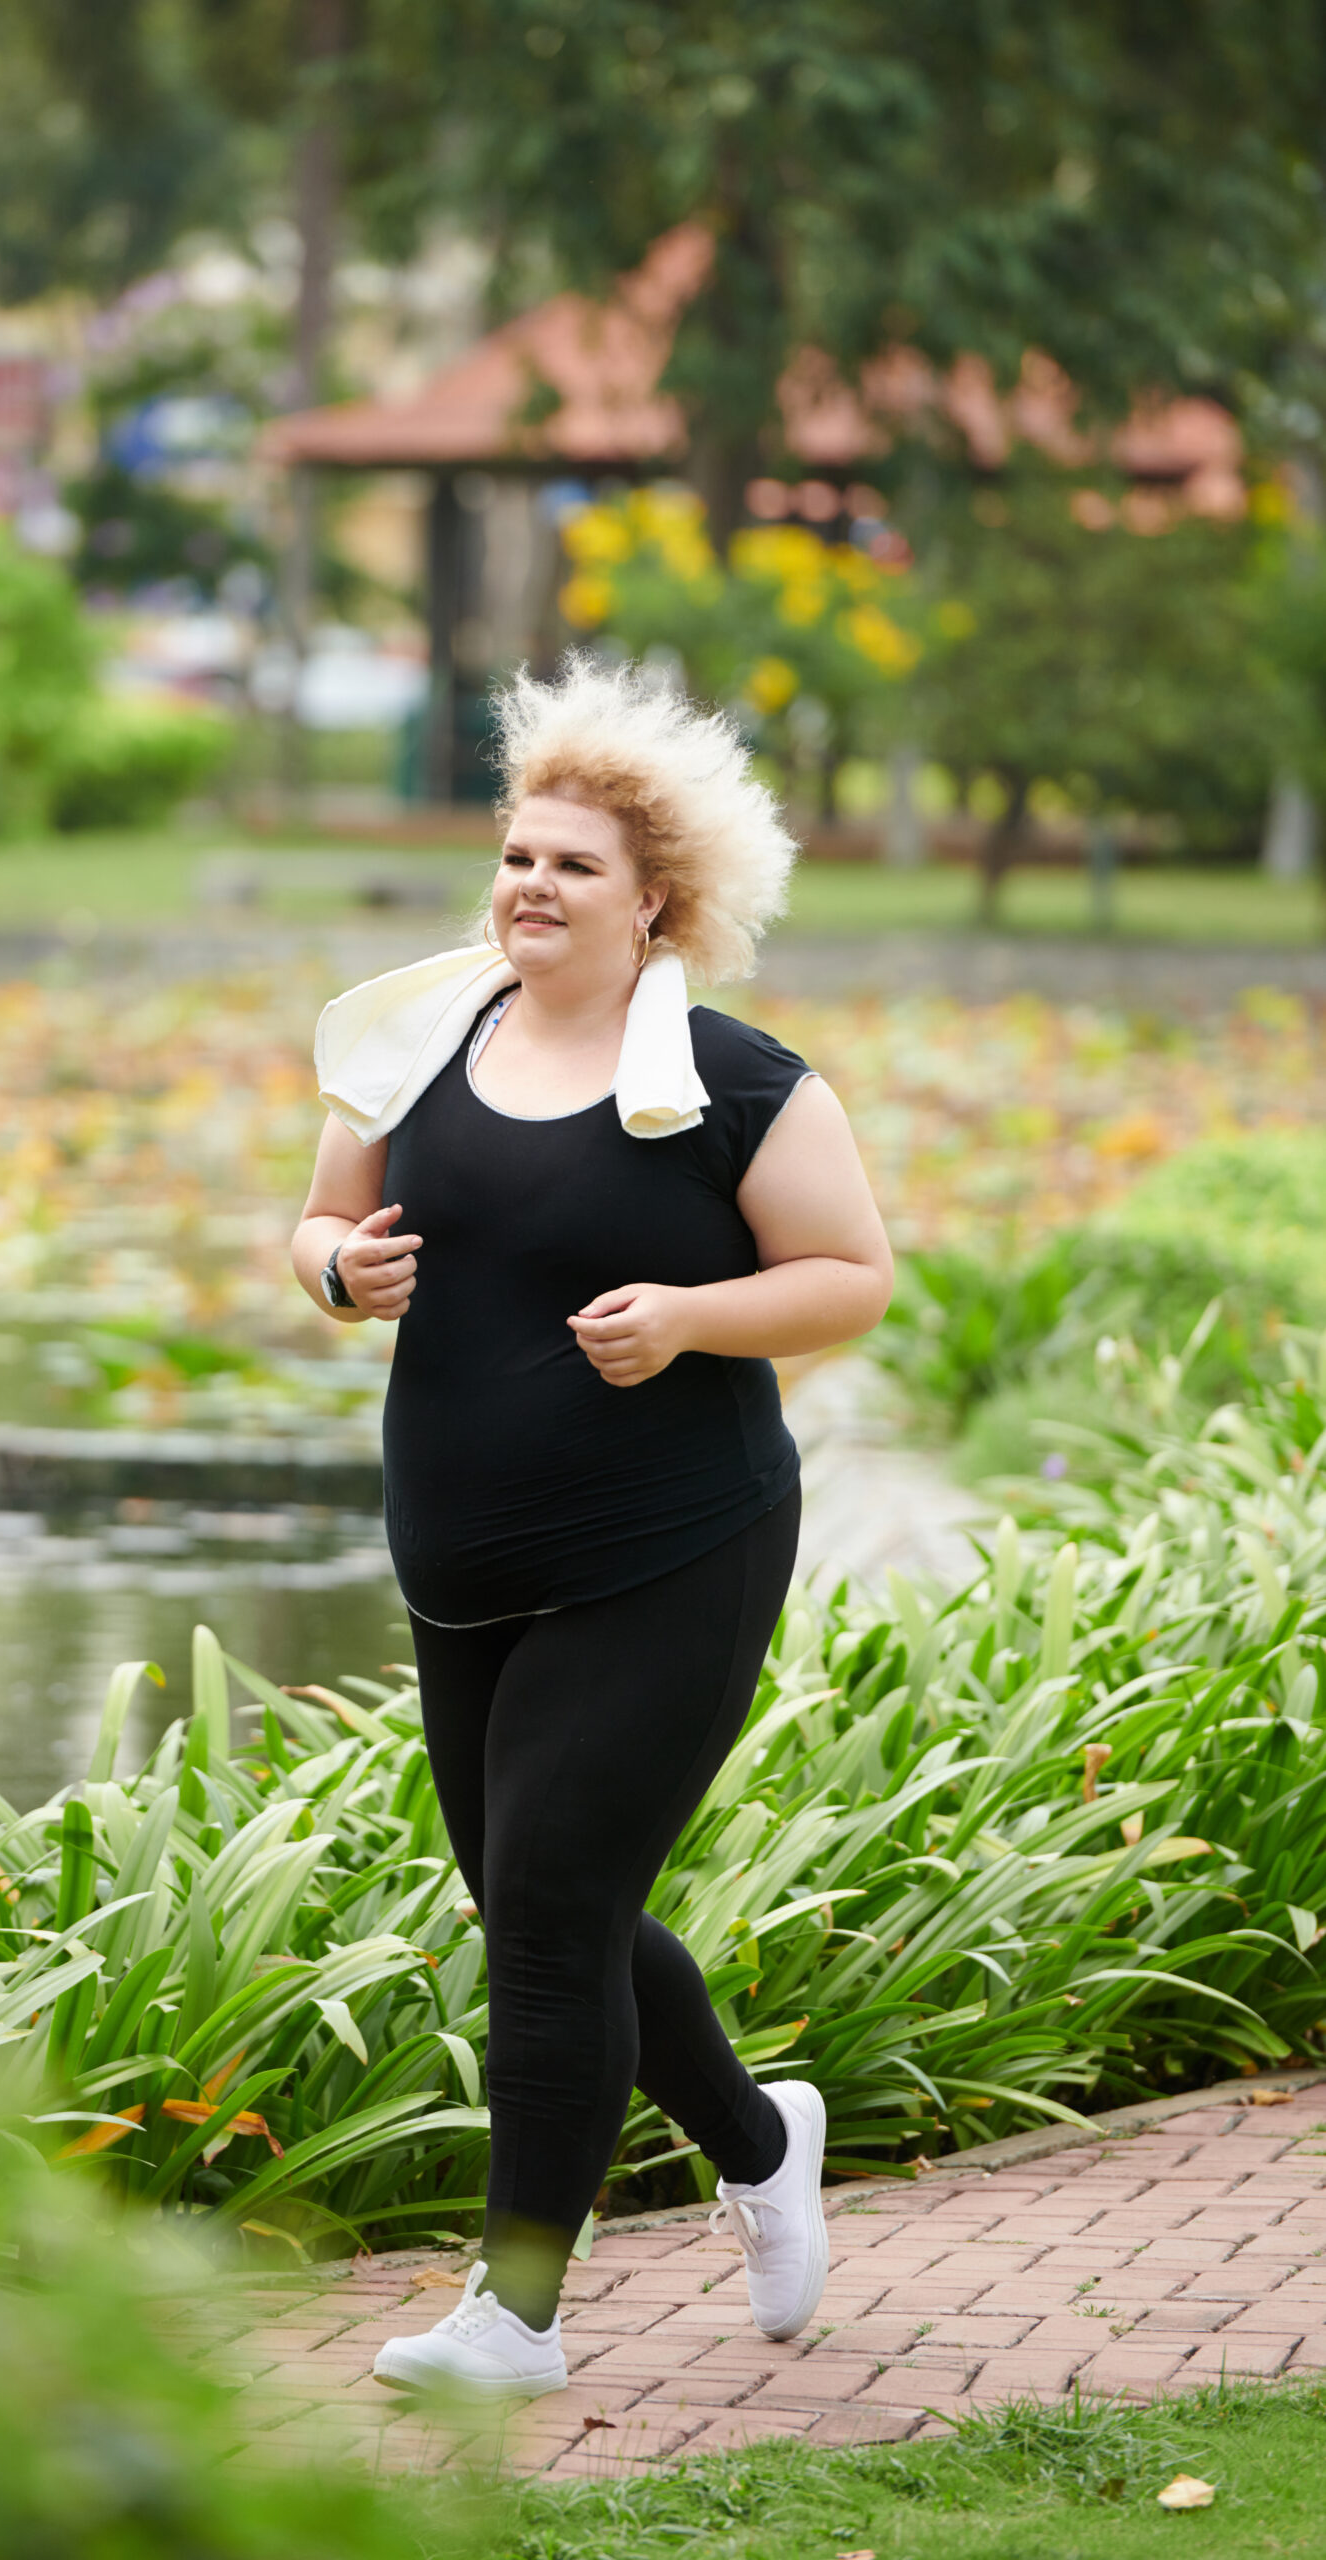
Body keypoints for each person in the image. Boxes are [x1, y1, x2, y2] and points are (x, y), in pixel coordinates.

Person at [290, 657, 893, 2399]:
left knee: (549, 1910)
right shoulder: (412, 1046)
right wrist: (339, 1270)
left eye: (571, 866)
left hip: (669, 1548)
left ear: (654, 904)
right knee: (542, 1901)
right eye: (516, 855)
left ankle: (519, 2319)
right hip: (464, 1558)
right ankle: (761, 2141)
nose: (530, 887)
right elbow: (318, 1224)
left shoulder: (732, 1081)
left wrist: (693, 1319)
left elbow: (850, 1278)